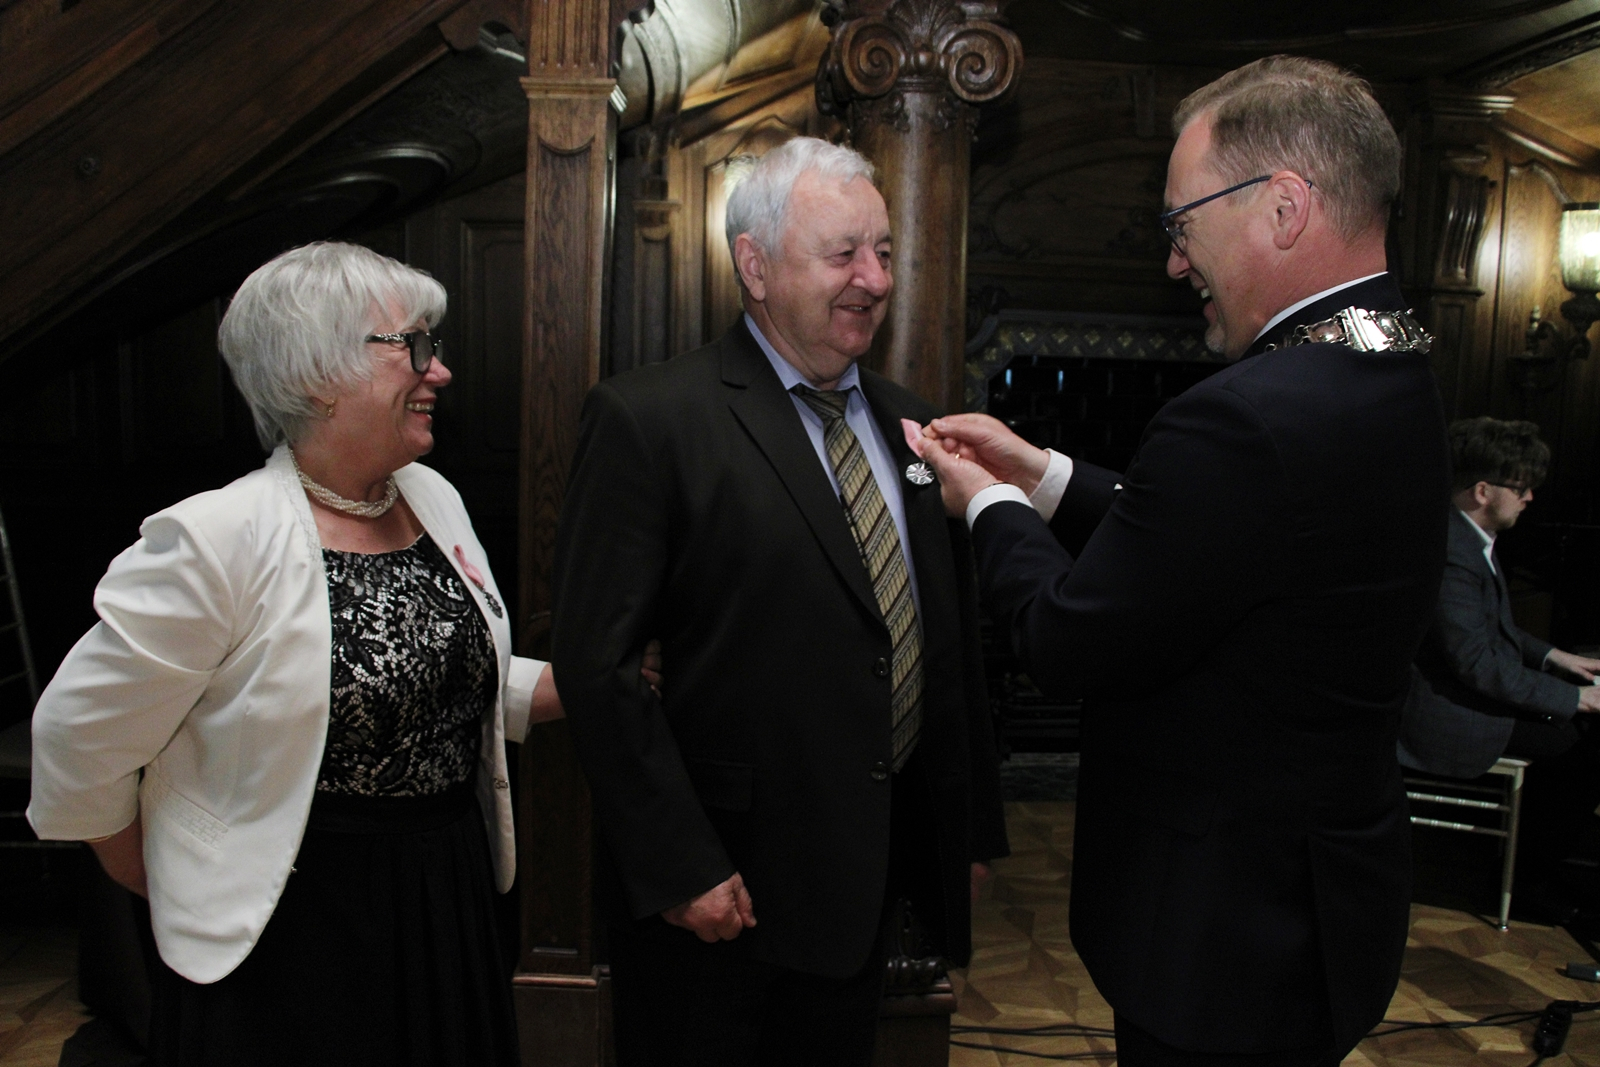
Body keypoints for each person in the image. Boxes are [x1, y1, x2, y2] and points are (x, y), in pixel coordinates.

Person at [910, 56, 1449, 1067]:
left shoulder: (1245, 413)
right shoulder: (1386, 356)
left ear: (1282, 207)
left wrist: (983, 501)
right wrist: (1045, 474)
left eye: (1181, 222)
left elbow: (1065, 638)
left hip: (1223, 936)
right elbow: (1236, 536)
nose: (1172, 262)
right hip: (1322, 903)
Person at [29, 242, 574, 1066]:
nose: (440, 370)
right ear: (317, 376)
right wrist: (161, 872)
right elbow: (77, 738)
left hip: (443, 894)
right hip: (290, 926)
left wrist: (581, 684)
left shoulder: (432, 497)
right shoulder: (216, 539)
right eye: (413, 346)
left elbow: (418, 674)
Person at [550, 136, 1007, 1067]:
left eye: (884, 252)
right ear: (754, 266)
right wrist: (681, 865)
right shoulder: (651, 420)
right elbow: (598, 668)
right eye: (843, 254)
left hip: (865, 890)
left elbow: (946, 639)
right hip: (724, 898)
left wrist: (963, 831)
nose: (874, 279)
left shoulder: (911, 422)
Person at [1401, 416, 1600, 915]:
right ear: (1483, 491)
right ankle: (1526, 882)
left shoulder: (1468, 537)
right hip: (1449, 714)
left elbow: (1493, 631)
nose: (1529, 497)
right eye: (1520, 486)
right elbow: (1476, 664)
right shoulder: (1453, 553)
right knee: (1579, 747)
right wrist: (1574, 697)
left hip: (1470, 690)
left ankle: (1536, 864)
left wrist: (1556, 657)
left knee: (1580, 733)